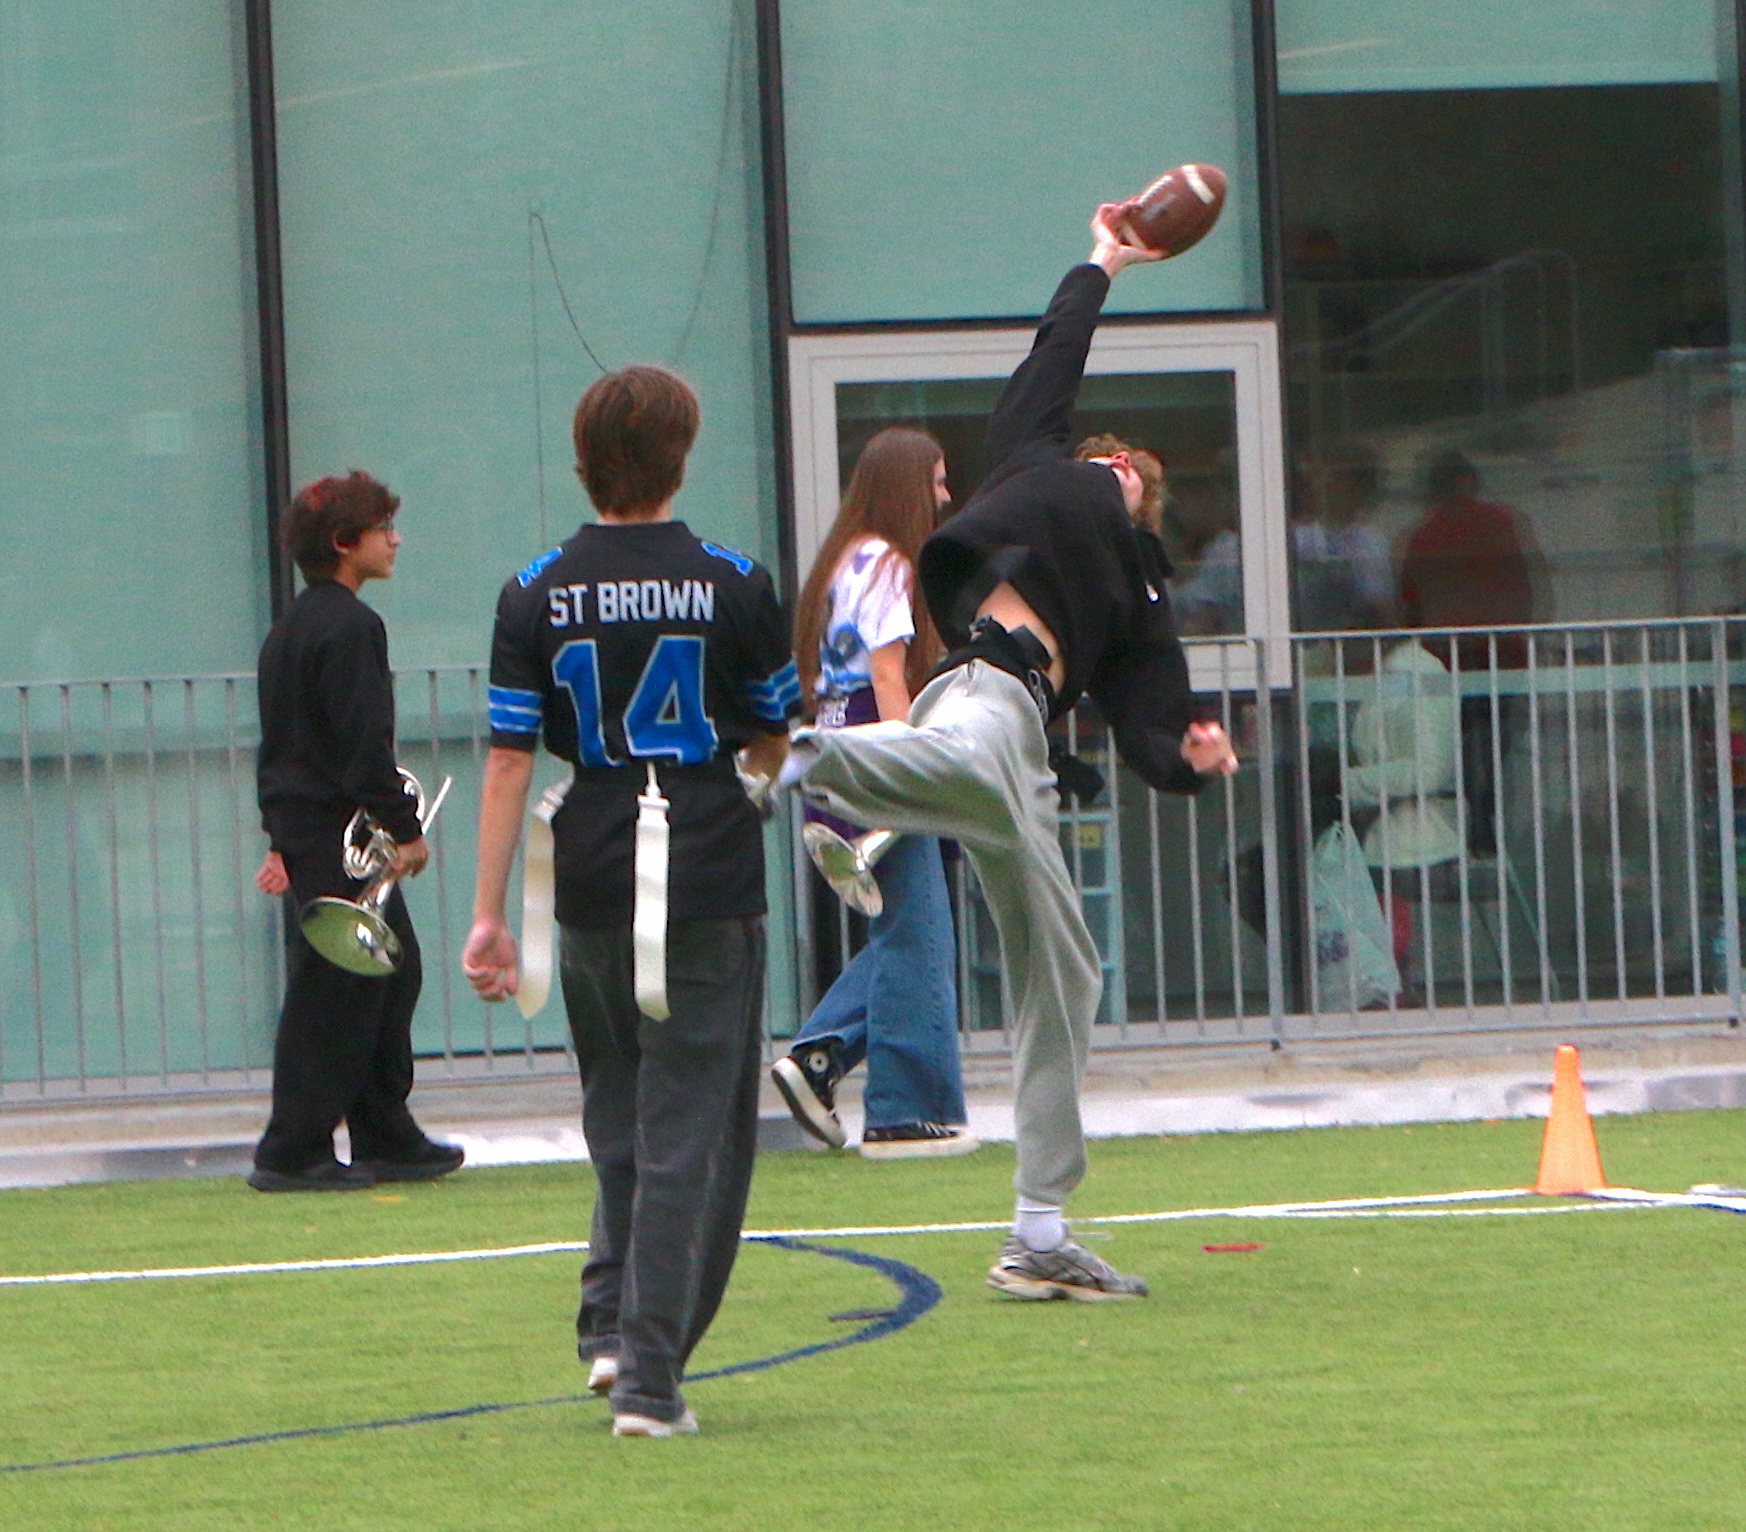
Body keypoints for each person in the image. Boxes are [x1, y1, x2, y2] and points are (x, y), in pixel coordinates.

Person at [780, 207, 1239, 1301]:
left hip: (1019, 750)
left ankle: (1039, 1231)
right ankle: (797, 758)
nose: (1126, 463)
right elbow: (1056, 352)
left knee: (1068, 969)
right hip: (978, 696)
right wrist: (1103, 259)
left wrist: (1191, 750)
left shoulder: (1138, 588)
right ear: (1094, 456)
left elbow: (1150, 714)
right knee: (971, 758)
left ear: (1146, 500)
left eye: (1140, 468)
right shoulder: (1040, 458)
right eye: (1117, 452)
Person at [461, 366, 795, 1438]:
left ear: (583, 459)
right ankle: (651, 1376)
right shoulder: (738, 579)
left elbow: (510, 759)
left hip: (592, 861)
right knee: (690, 1126)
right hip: (702, 859)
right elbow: (774, 729)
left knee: (617, 1107)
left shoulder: (534, 587)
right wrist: (747, 783)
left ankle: (608, 1326)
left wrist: (488, 911)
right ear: (681, 455)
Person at [250, 472, 463, 1192]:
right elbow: (362, 744)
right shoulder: (350, 626)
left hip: (308, 829)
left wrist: (278, 834)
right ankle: (293, 1148)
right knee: (337, 989)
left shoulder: (292, 627)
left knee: (390, 973)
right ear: (346, 544)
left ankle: (384, 1132)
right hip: (341, 835)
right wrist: (406, 831)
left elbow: (280, 745)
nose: (395, 538)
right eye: (382, 528)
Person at [772, 427, 977, 1159]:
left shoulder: (842, 558)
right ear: (907, 487)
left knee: (905, 927)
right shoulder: (890, 562)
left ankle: (818, 1059)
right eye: (939, 481)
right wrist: (913, 760)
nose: (946, 496)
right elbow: (889, 675)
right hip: (878, 752)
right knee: (918, 934)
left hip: (834, 750)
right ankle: (905, 1110)